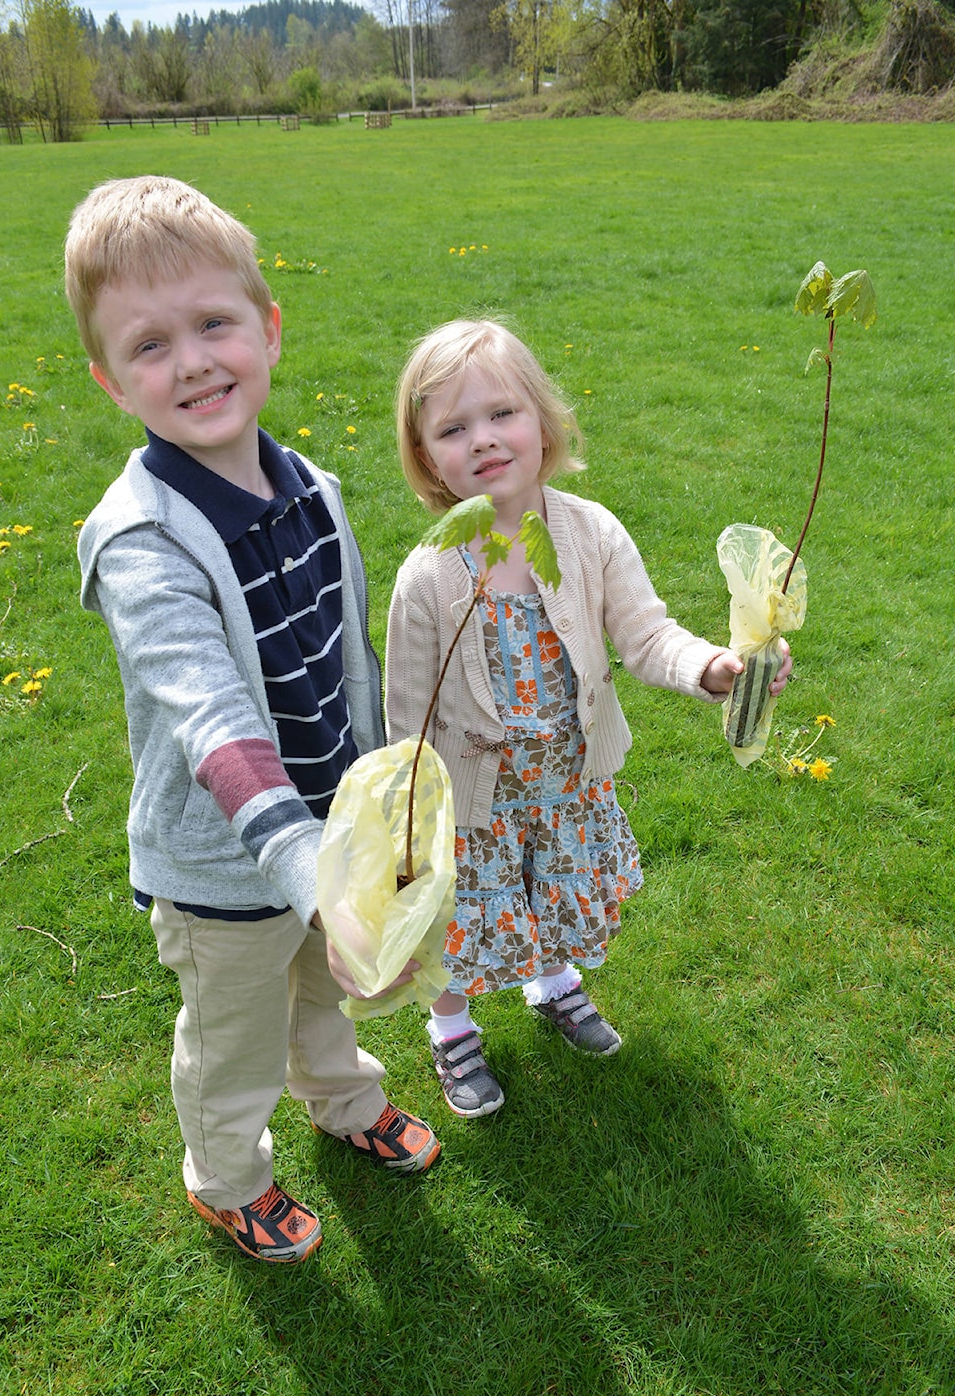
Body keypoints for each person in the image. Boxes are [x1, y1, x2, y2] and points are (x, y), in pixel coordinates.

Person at [65, 175, 439, 1265]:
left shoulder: (312, 487)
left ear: (268, 330)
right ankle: (227, 1175)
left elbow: (345, 665)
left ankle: (340, 1098)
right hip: (228, 873)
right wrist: (305, 872)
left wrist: (379, 816)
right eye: (149, 346)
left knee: (324, 996)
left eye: (214, 323)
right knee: (232, 1039)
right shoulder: (140, 541)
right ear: (108, 381)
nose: (190, 361)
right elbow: (210, 716)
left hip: (336, 835)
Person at [386, 318, 791, 1119]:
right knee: (461, 920)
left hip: (566, 782)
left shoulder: (590, 532)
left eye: (503, 414)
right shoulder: (428, 575)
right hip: (475, 803)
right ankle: (453, 1029)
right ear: (428, 457)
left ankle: (553, 984)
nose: (485, 440)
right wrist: (408, 817)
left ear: (544, 421)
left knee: (553, 894)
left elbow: (645, 634)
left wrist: (709, 667)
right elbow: (406, 707)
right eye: (453, 429)